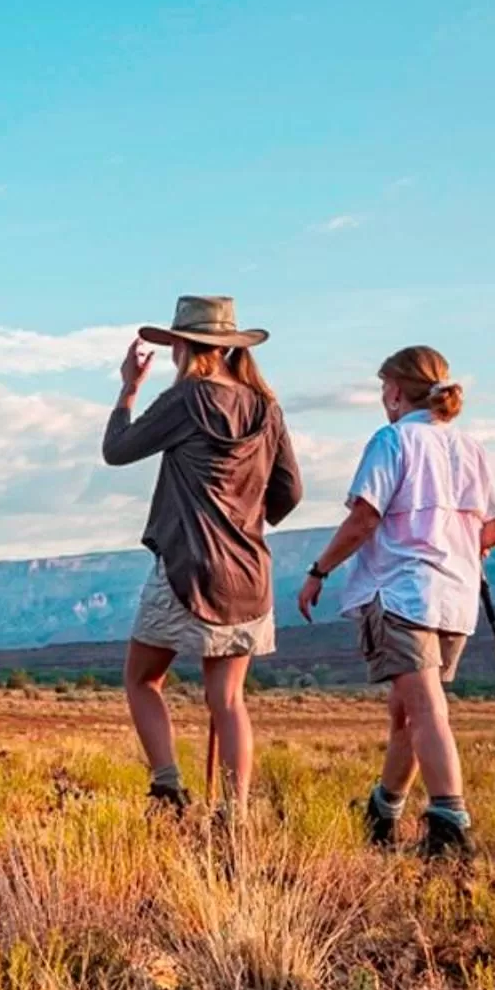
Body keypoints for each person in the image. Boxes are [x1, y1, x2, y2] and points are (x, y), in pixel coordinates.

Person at [297, 345, 495, 857]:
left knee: (425, 709)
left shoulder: (392, 440)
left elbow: (364, 518)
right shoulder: (469, 448)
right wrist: (463, 548)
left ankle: (449, 823)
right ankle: (383, 810)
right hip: (455, 599)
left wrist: (319, 571)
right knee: (407, 713)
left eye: (382, 389)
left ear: (394, 391)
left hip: (402, 594)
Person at [103, 295, 303, 816]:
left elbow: (117, 451)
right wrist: (245, 516)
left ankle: (168, 787)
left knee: (142, 679)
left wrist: (128, 389)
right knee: (229, 700)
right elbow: (290, 492)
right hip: (248, 571)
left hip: (186, 567)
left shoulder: (186, 399)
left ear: (184, 346)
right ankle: (235, 814)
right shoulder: (267, 408)